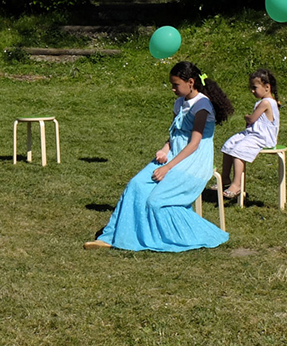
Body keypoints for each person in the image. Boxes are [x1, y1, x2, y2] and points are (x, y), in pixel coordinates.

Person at [84, 61, 233, 252]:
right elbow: (174, 134)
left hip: (193, 161)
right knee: (136, 185)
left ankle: (200, 234)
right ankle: (113, 236)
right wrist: (164, 149)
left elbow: (194, 144)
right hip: (173, 155)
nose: (172, 89)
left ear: (190, 82)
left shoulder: (202, 106)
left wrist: (167, 167)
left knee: (156, 201)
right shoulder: (179, 102)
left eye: (176, 85)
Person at [219, 69, 281, 200]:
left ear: (267, 87)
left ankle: (237, 184)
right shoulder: (265, 102)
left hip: (263, 137)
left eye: (254, 88)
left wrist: (246, 117)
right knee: (229, 144)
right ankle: (225, 178)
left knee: (238, 150)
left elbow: (252, 119)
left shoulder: (265, 103)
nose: (252, 91)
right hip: (253, 134)